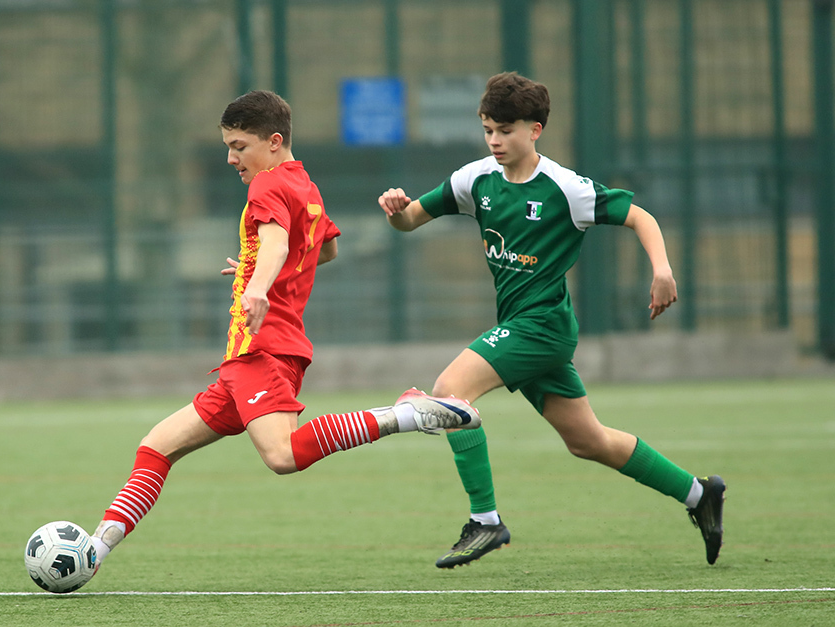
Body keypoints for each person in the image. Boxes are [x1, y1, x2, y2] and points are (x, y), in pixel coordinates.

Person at [88, 90, 481, 571]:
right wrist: (255, 270)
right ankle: (94, 549)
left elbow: (275, 243)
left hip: (262, 351)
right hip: (252, 362)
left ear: (274, 142)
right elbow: (324, 250)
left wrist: (258, 285)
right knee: (157, 446)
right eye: (228, 147)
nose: (231, 158)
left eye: (239, 146)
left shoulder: (267, 185)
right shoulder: (305, 185)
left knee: (282, 455)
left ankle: (404, 414)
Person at [378, 72, 726, 569]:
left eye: (506, 130)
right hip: (522, 327)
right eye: (488, 130)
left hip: (542, 327)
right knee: (589, 440)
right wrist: (395, 210)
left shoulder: (566, 188)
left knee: (450, 391)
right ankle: (699, 495)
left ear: (535, 129)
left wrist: (662, 269)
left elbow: (640, 217)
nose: (495, 140)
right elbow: (410, 219)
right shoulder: (474, 179)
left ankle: (485, 521)